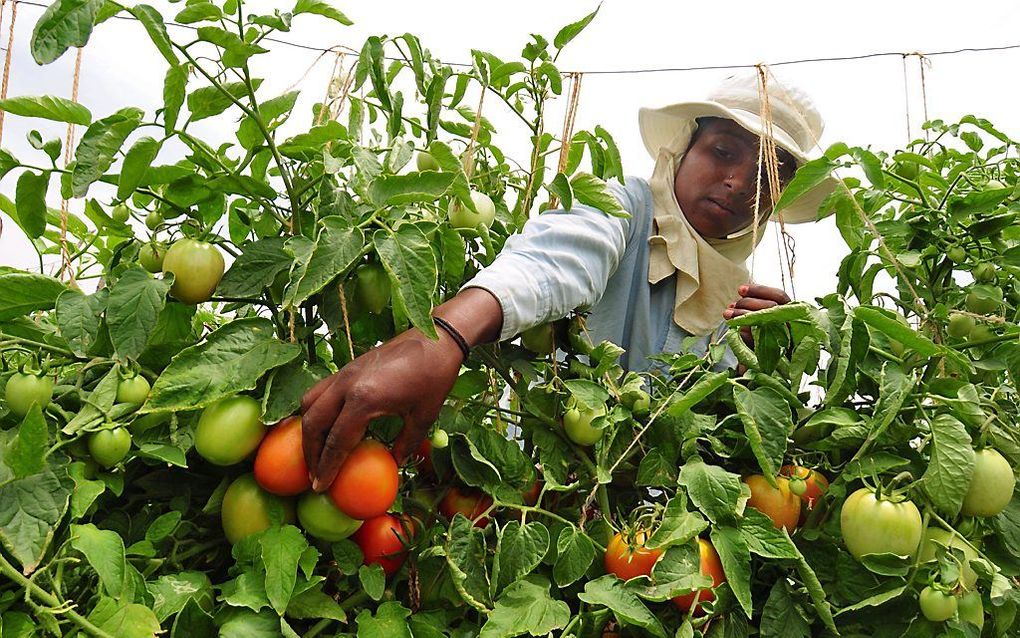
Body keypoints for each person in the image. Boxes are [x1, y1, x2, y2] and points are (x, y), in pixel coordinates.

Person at [300, 71, 835, 491]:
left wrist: (766, 370)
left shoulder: (744, 303)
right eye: (722, 152)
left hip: (642, 552)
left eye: (768, 174)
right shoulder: (622, 209)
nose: (739, 182)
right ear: (684, 147)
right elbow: (552, 262)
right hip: (528, 492)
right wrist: (445, 336)